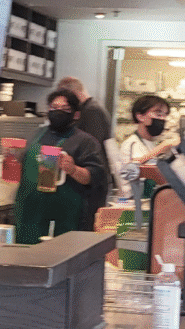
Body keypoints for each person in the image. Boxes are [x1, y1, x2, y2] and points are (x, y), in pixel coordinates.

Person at [13, 89, 106, 244]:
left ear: (76, 114)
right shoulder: (36, 135)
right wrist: (12, 156)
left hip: (64, 219)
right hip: (29, 215)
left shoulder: (85, 142)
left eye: (64, 109)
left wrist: (73, 169)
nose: (58, 112)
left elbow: (93, 177)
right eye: (54, 108)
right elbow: (24, 169)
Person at [57, 76, 112, 230]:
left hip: (91, 187)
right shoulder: (91, 109)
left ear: (74, 93)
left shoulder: (91, 111)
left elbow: (90, 149)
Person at [118, 94, 172, 201]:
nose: (162, 119)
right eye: (158, 113)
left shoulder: (151, 143)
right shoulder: (131, 144)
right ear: (140, 116)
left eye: (165, 115)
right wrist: (162, 148)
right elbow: (128, 171)